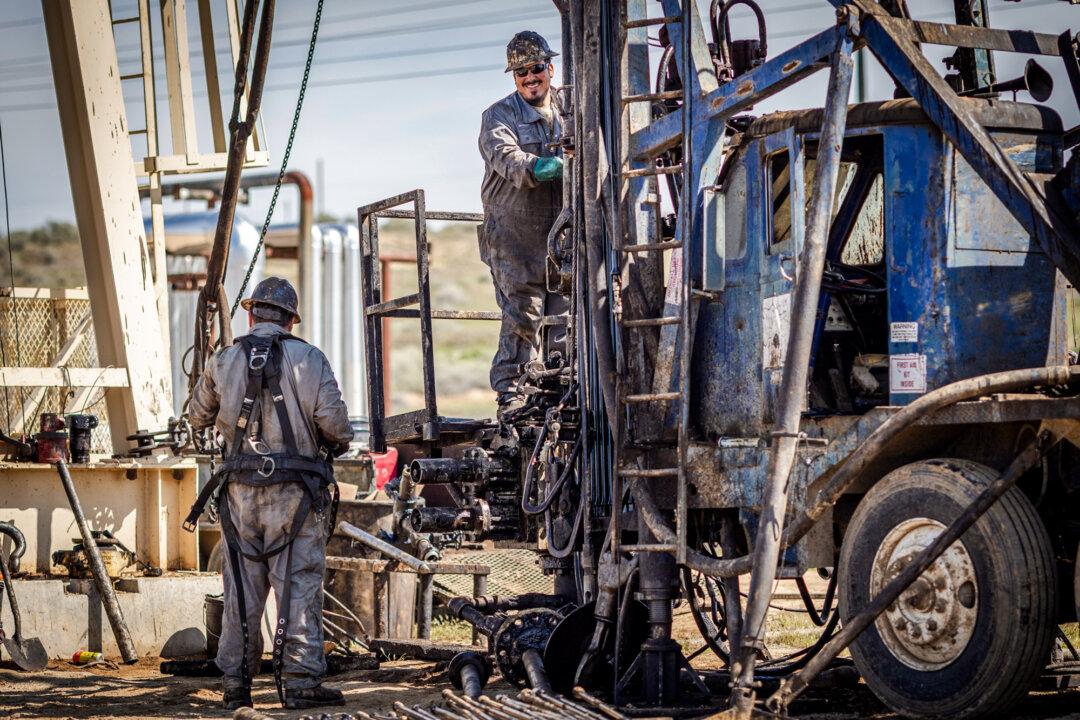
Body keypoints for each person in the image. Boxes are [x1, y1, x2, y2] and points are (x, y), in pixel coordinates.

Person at [186, 277, 353, 710]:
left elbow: (197, 417)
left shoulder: (223, 359)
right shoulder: (310, 359)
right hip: (295, 499)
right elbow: (337, 428)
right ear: (290, 320)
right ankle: (298, 684)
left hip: (239, 497)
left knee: (241, 589)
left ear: (252, 314)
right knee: (298, 587)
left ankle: (236, 686)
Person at [478, 30, 566, 419]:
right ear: (514, 79)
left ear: (550, 68)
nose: (530, 78)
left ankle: (561, 387)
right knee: (524, 313)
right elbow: (507, 158)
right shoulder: (498, 117)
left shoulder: (571, 107)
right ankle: (512, 395)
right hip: (512, 236)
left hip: (560, 236)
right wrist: (539, 166)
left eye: (535, 69)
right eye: (521, 74)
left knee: (564, 317)